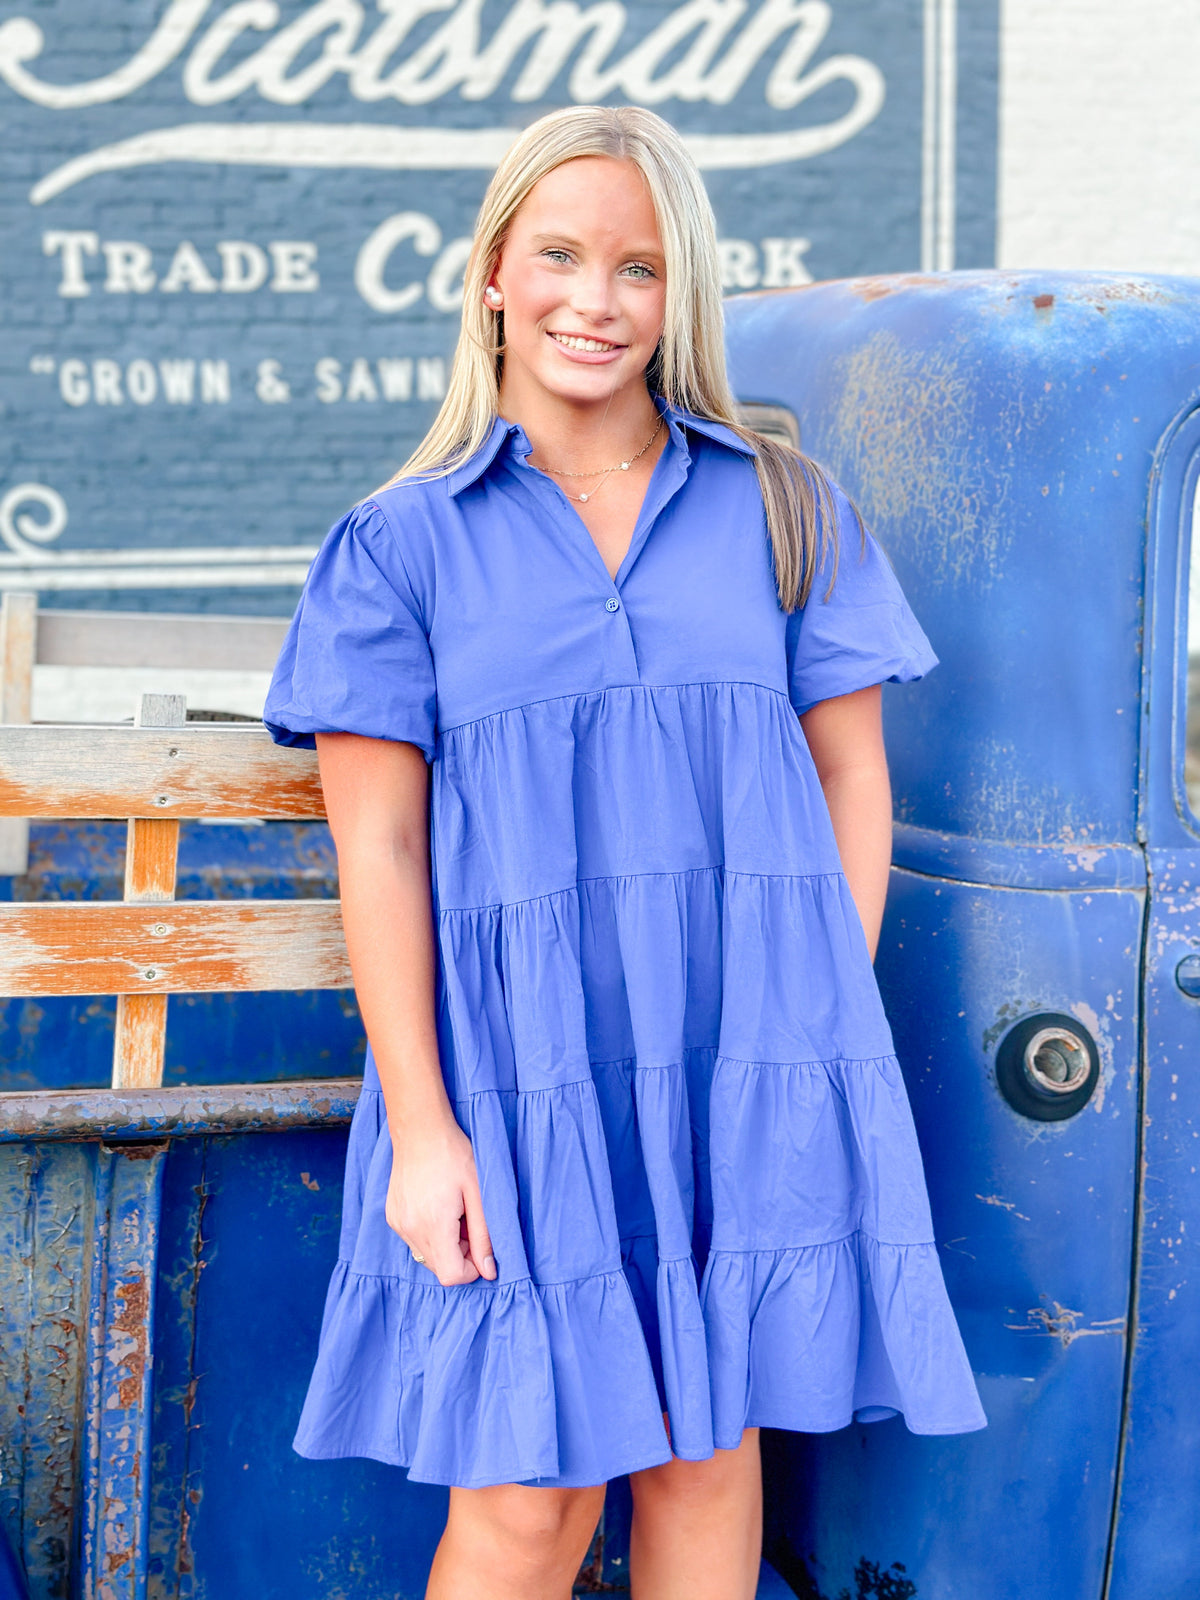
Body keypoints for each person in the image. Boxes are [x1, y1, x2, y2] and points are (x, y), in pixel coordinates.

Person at [263, 103, 987, 1600]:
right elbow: (380, 851)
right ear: (493, 277)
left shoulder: (783, 509)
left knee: (705, 1456)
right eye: (563, 256)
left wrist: (813, 1017)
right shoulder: (399, 545)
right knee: (532, 1498)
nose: (598, 301)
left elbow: (853, 777)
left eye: (641, 269)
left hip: (744, 1061)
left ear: (681, 298)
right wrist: (424, 1130)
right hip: (516, 1076)